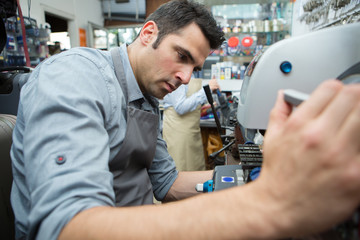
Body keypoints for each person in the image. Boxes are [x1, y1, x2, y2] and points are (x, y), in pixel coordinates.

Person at [9, 0, 360, 239]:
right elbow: (66, 227)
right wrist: (270, 201)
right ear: (148, 34)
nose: (185, 76)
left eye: (194, 67)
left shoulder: (146, 97)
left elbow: (167, 183)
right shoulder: (75, 76)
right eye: (182, 56)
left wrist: (248, 178)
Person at [162, 77, 220, 171]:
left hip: (190, 130)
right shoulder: (179, 74)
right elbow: (180, 107)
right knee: (181, 169)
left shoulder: (191, 73)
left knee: (194, 168)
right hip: (178, 131)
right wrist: (206, 90)